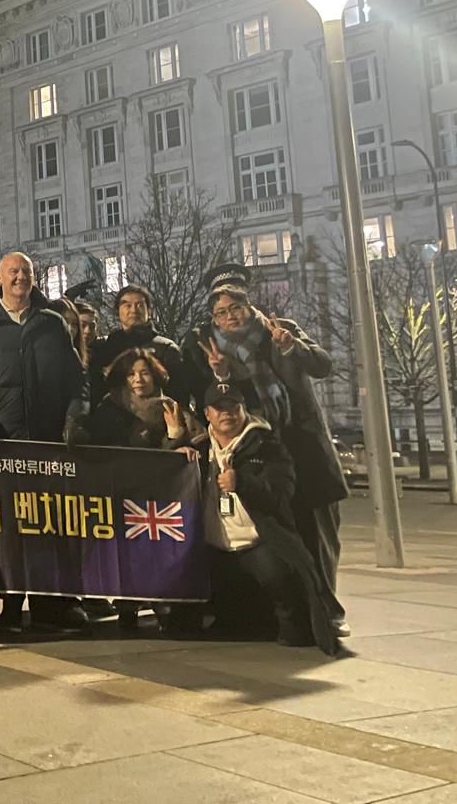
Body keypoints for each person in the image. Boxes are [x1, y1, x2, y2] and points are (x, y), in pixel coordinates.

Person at [184, 267, 350, 636]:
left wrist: (291, 346)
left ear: (249, 305)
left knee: (316, 535)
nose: (230, 317)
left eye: (236, 307)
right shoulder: (207, 349)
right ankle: (280, 617)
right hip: (259, 458)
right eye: (221, 311)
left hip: (303, 449)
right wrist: (221, 375)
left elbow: (322, 364)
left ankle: (327, 613)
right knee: (270, 541)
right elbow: (219, 401)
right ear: (213, 317)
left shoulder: (279, 330)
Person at [0, 251, 89, 634]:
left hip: (47, 442)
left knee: (49, 524)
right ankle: (11, 604)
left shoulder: (52, 323)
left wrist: (75, 416)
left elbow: (77, 379)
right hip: (2, 443)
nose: (20, 277)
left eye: (26, 271)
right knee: (9, 528)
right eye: (12, 271)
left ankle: (51, 606)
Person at [188, 382, 339, 654]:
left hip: (257, 543)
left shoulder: (267, 447)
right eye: (219, 408)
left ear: (244, 410)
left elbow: (281, 494)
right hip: (215, 548)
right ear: (207, 414)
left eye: (234, 407)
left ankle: (293, 629)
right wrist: (177, 447)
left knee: (280, 579)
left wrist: (242, 483)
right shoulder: (199, 448)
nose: (227, 413)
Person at [86, 346, 202, 631]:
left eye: (144, 373)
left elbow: (195, 443)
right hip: (123, 492)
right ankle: (127, 606)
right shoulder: (108, 410)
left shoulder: (172, 408)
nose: (138, 379)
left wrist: (177, 437)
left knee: (159, 551)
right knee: (126, 552)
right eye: (131, 374)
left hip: (162, 497)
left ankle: (163, 604)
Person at [89, 284, 192, 409]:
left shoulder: (166, 348)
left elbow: (179, 395)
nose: (133, 310)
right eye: (127, 305)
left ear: (149, 311)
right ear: (118, 311)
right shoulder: (107, 348)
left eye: (139, 305)